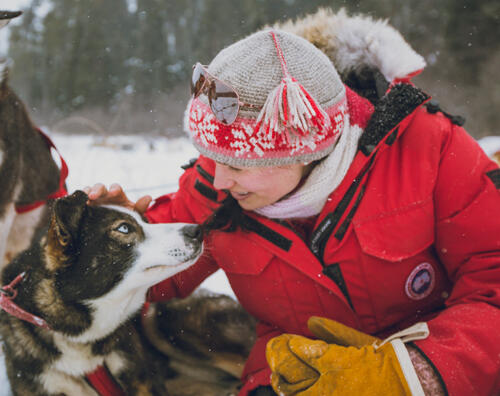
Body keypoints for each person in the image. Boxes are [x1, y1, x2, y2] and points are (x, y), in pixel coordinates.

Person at [85, 9, 500, 396]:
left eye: (240, 165)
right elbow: (152, 275)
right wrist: (111, 236)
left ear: (305, 152)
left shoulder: (429, 149)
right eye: (213, 157)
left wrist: (413, 374)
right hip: (289, 376)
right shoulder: (212, 188)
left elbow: (493, 285)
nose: (219, 178)